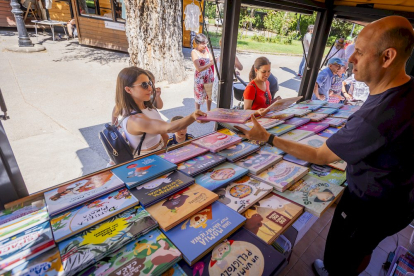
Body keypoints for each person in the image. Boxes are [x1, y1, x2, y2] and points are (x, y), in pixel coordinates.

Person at [235, 15, 414, 276]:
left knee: (344, 256)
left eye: (360, 53)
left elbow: (320, 155)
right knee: (365, 249)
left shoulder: (374, 119)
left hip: (368, 207)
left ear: (387, 57)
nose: (350, 59)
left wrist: (269, 138)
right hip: (398, 203)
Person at [113, 67, 206, 156]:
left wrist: (114, 124)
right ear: (128, 89)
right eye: (144, 85)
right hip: (149, 157)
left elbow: (116, 109)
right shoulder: (135, 120)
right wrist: (192, 116)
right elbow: (169, 128)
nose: (150, 88)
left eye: (149, 83)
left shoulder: (141, 104)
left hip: (159, 149)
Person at [212, 38, 243, 106]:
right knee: (226, 104)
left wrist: (234, 71)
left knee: (219, 104)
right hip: (227, 82)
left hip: (218, 80)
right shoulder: (233, 57)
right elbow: (241, 67)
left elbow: (224, 68)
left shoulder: (220, 55)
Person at [191, 33, 214, 111]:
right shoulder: (194, 52)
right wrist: (210, 64)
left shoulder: (207, 50)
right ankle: (197, 112)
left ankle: (209, 111)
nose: (205, 45)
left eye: (206, 43)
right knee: (199, 95)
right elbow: (198, 68)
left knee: (209, 94)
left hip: (209, 76)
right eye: (203, 44)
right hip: (200, 77)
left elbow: (212, 59)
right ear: (197, 43)